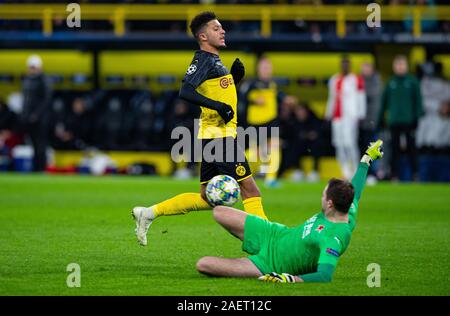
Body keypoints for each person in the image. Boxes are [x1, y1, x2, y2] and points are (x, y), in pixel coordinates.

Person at [132, 11, 268, 246]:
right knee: (250, 190)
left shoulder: (215, 61)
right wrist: (219, 106)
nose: (222, 30)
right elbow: (185, 91)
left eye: (222, 27)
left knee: (207, 197)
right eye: (216, 29)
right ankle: (269, 242)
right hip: (220, 138)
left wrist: (235, 80)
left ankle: (149, 213)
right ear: (203, 36)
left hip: (212, 137)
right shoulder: (203, 59)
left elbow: (216, 89)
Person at [195, 140, 383, 283]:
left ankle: (251, 262)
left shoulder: (334, 237)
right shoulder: (348, 207)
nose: (321, 197)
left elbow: (325, 275)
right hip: (275, 234)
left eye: (323, 195)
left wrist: (292, 279)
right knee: (219, 211)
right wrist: (366, 160)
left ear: (331, 204)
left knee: (203, 264)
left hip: (271, 264)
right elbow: (355, 190)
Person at [238, 56, 285, 188]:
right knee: (256, 154)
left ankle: (271, 179)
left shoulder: (272, 84)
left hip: (271, 122)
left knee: (274, 146)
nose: (267, 70)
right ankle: (236, 170)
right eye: (264, 67)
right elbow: (241, 96)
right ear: (258, 69)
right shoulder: (251, 83)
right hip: (256, 124)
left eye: (268, 67)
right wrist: (254, 99)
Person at [377, 55, 423, 181]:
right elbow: (383, 102)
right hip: (394, 121)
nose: (400, 67)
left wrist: (417, 118)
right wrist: (380, 118)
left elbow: (418, 101)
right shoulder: (390, 82)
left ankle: (415, 174)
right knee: (394, 149)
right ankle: (394, 174)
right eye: (398, 65)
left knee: (412, 149)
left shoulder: (412, 82)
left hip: (409, 121)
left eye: (402, 65)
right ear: (394, 67)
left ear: (406, 66)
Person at [326, 56, 366, 180]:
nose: (344, 67)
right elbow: (332, 97)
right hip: (337, 117)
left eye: (346, 64)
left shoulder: (356, 79)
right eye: (343, 64)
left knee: (350, 143)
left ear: (350, 66)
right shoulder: (334, 79)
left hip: (351, 116)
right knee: (339, 144)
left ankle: (355, 171)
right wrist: (328, 113)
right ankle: (345, 172)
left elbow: (360, 97)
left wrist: (360, 114)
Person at [21, 54, 52, 172]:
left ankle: (41, 168)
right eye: (30, 67)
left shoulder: (44, 80)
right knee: (33, 145)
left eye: (34, 67)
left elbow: (46, 100)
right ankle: (35, 168)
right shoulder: (27, 80)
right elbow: (25, 101)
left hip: (41, 119)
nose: (32, 69)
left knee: (41, 145)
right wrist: (25, 115)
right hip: (29, 119)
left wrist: (36, 115)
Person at [359, 61, 382, 185]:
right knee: (362, 148)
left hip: (372, 121)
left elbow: (369, 95)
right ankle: (363, 174)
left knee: (372, 149)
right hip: (361, 122)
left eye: (367, 67)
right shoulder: (359, 81)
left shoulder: (376, 81)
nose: (365, 70)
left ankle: (373, 173)